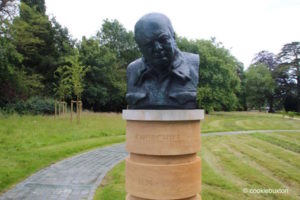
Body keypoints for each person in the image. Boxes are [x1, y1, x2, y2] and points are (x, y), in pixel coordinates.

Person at [126, 13, 199, 109]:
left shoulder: (195, 64)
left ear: (173, 36)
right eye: (149, 44)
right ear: (140, 47)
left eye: (163, 39)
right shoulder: (132, 70)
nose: (158, 48)